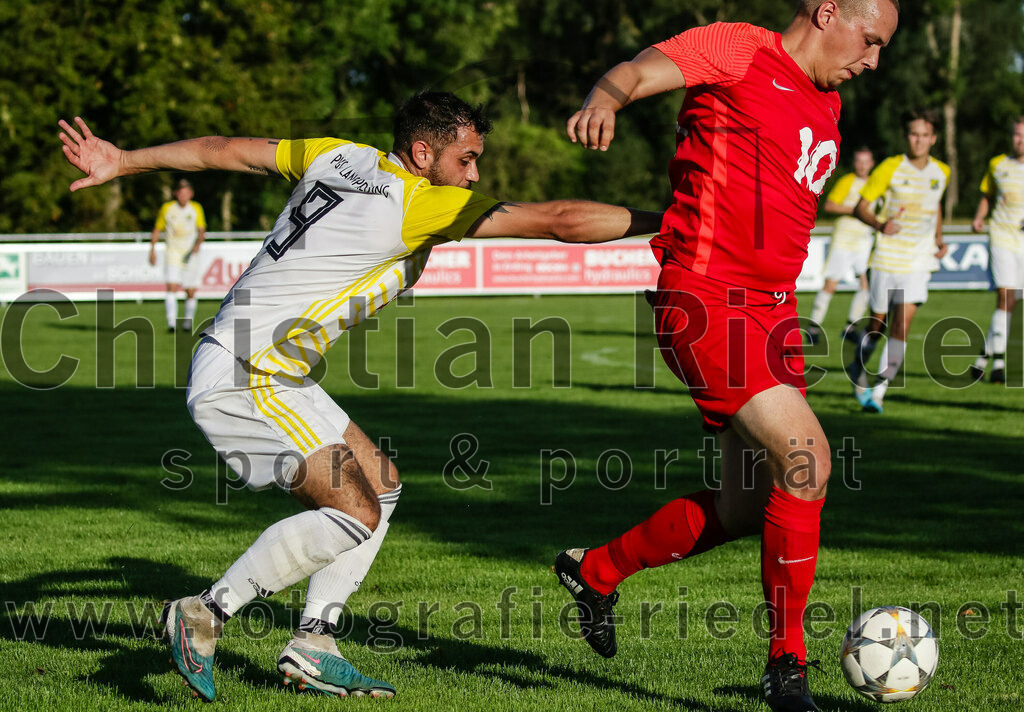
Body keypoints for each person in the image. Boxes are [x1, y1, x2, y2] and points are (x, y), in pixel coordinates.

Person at [58, 93, 663, 702]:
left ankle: (314, 642)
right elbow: (559, 219)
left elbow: (224, 150)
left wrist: (125, 160)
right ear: (422, 153)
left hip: (269, 366)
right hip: (248, 372)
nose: (475, 175)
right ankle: (204, 614)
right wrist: (673, 219)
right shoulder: (417, 201)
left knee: (382, 484)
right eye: (466, 159)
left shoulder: (337, 155)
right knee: (355, 513)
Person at [553, 2, 899, 710]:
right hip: (706, 298)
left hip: (773, 315)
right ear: (827, 12)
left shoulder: (829, 104)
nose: (873, 61)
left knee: (746, 507)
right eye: (869, 41)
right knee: (807, 460)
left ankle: (595, 572)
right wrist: (605, 100)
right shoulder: (740, 48)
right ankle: (787, 668)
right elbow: (637, 70)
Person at [846, 109, 949, 413]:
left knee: (901, 326)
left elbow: (935, 205)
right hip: (885, 259)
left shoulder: (942, 172)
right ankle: (858, 363)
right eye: (914, 134)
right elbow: (860, 207)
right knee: (877, 326)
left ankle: (878, 392)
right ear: (907, 137)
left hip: (918, 262)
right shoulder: (889, 168)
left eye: (924, 135)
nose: (919, 140)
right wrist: (880, 225)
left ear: (933, 138)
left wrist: (939, 238)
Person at [969, 116, 1024, 384]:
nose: (1020, 140)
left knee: (1013, 301)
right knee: (1005, 295)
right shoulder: (997, 164)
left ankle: (982, 358)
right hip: (1001, 236)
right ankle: (999, 364)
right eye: (1017, 134)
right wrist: (979, 217)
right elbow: (987, 195)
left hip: (1022, 242)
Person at [806, 147, 876, 345]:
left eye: (866, 162)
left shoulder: (876, 183)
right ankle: (813, 327)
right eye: (859, 161)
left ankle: (850, 327)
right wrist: (855, 211)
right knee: (831, 283)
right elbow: (829, 205)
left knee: (866, 283)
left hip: (864, 239)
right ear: (854, 163)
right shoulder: (847, 181)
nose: (862, 166)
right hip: (844, 238)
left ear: (872, 164)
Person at [150, 178, 206, 332]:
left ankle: (187, 323)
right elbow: (157, 229)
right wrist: (152, 249)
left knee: (190, 291)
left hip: (190, 254)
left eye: (186, 193)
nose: (183, 196)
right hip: (173, 252)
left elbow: (201, 231)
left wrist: (197, 245)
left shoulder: (196, 208)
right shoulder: (167, 208)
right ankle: (172, 324)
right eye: (181, 193)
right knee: (171, 286)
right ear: (176, 193)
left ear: (191, 194)